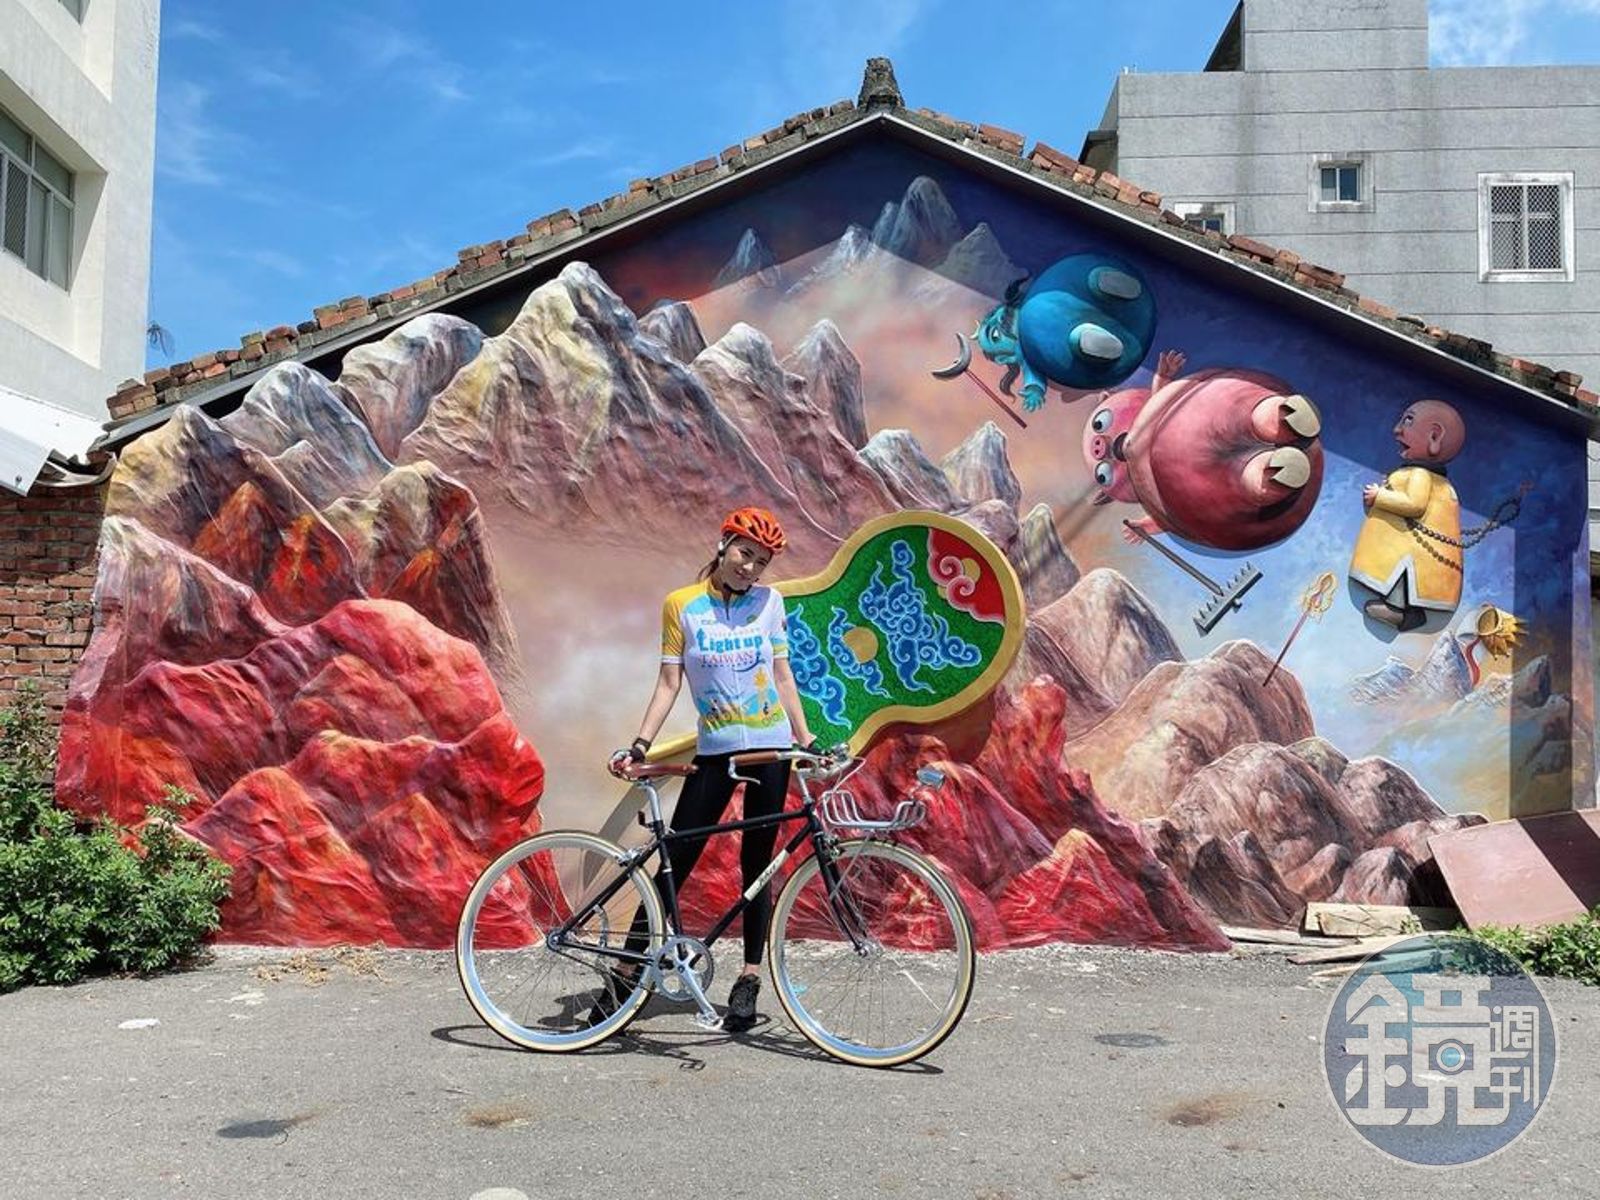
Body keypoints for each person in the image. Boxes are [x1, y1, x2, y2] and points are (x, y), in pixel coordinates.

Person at [605, 506, 819, 1033]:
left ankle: (749, 978)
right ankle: (627, 970)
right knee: (677, 857)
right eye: (745, 553)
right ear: (724, 544)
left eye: (761, 562)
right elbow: (668, 684)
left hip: (770, 749)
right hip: (717, 751)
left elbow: (783, 675)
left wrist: (806, 738)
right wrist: (640, 744)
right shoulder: (682, 605)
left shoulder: (770, 603)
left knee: (758, 863)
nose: (751, 567)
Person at [1349, 399, 1466, 631]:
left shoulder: (1421, 475)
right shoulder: (1429, 479)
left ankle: (1398, 609)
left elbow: (1414, 505)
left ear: (1434, 437)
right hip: (1414, 547)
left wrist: (1379, 496)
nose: (1397, 429)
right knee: (1406, 571)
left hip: (1415, 550)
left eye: (1408, 421)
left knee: (1405, 572)